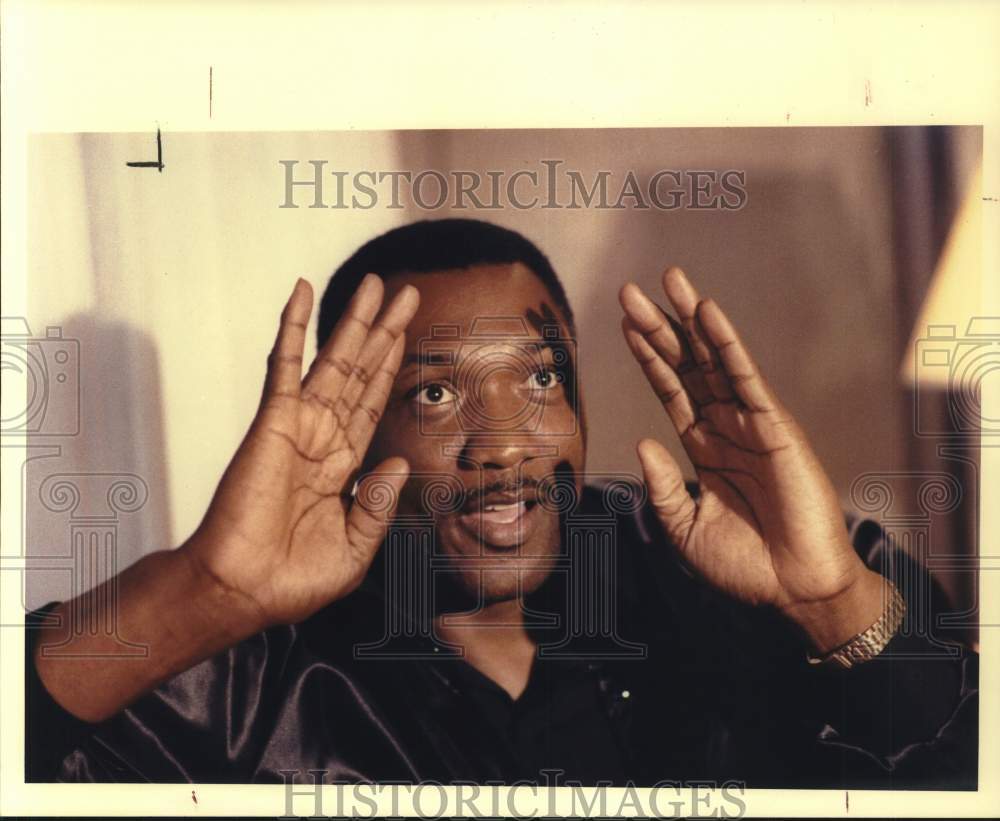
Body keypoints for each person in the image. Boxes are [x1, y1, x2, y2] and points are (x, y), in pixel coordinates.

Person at [26, 219, 977, 787]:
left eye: (539, 381)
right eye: (435, 394)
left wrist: (829, 599)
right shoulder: (244, 673)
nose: (505, 442)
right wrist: (202, 590)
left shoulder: (717, 566)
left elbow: (966, 761)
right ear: (352, 425)